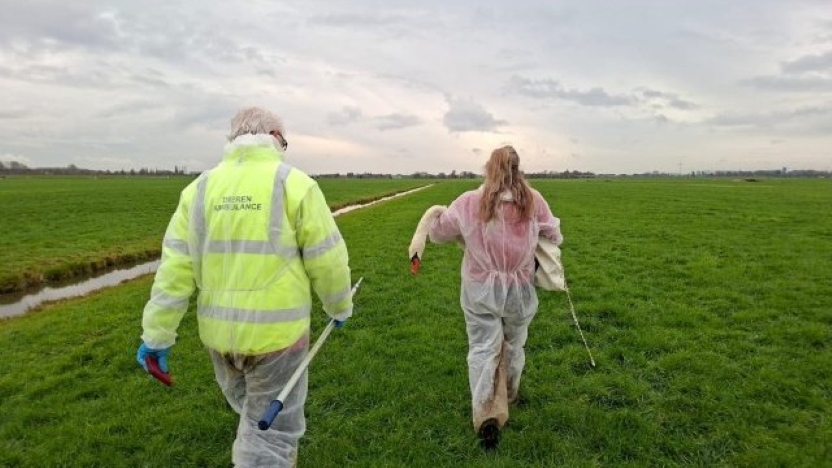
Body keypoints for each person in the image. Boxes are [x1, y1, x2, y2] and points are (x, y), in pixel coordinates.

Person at [136, 107, 354, 467]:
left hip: (220, 339)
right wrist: (340, 307)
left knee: (253, 419)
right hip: (278, 340)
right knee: (269, 436)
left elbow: (173, 270)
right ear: (275, 138)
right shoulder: (293, 183)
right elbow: (327, 259)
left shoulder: (198, 190)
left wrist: (157, 336)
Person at [427, 145, 562, 449]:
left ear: (489, 168)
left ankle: (486, 409)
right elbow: (554, 234)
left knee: (482, 346)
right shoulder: (533, 200)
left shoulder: (468, 202)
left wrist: (437, 217)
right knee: (514, 342)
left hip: (479, 289)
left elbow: (438, 235)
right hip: (520, 287)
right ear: (518, 168)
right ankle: (510, 393)